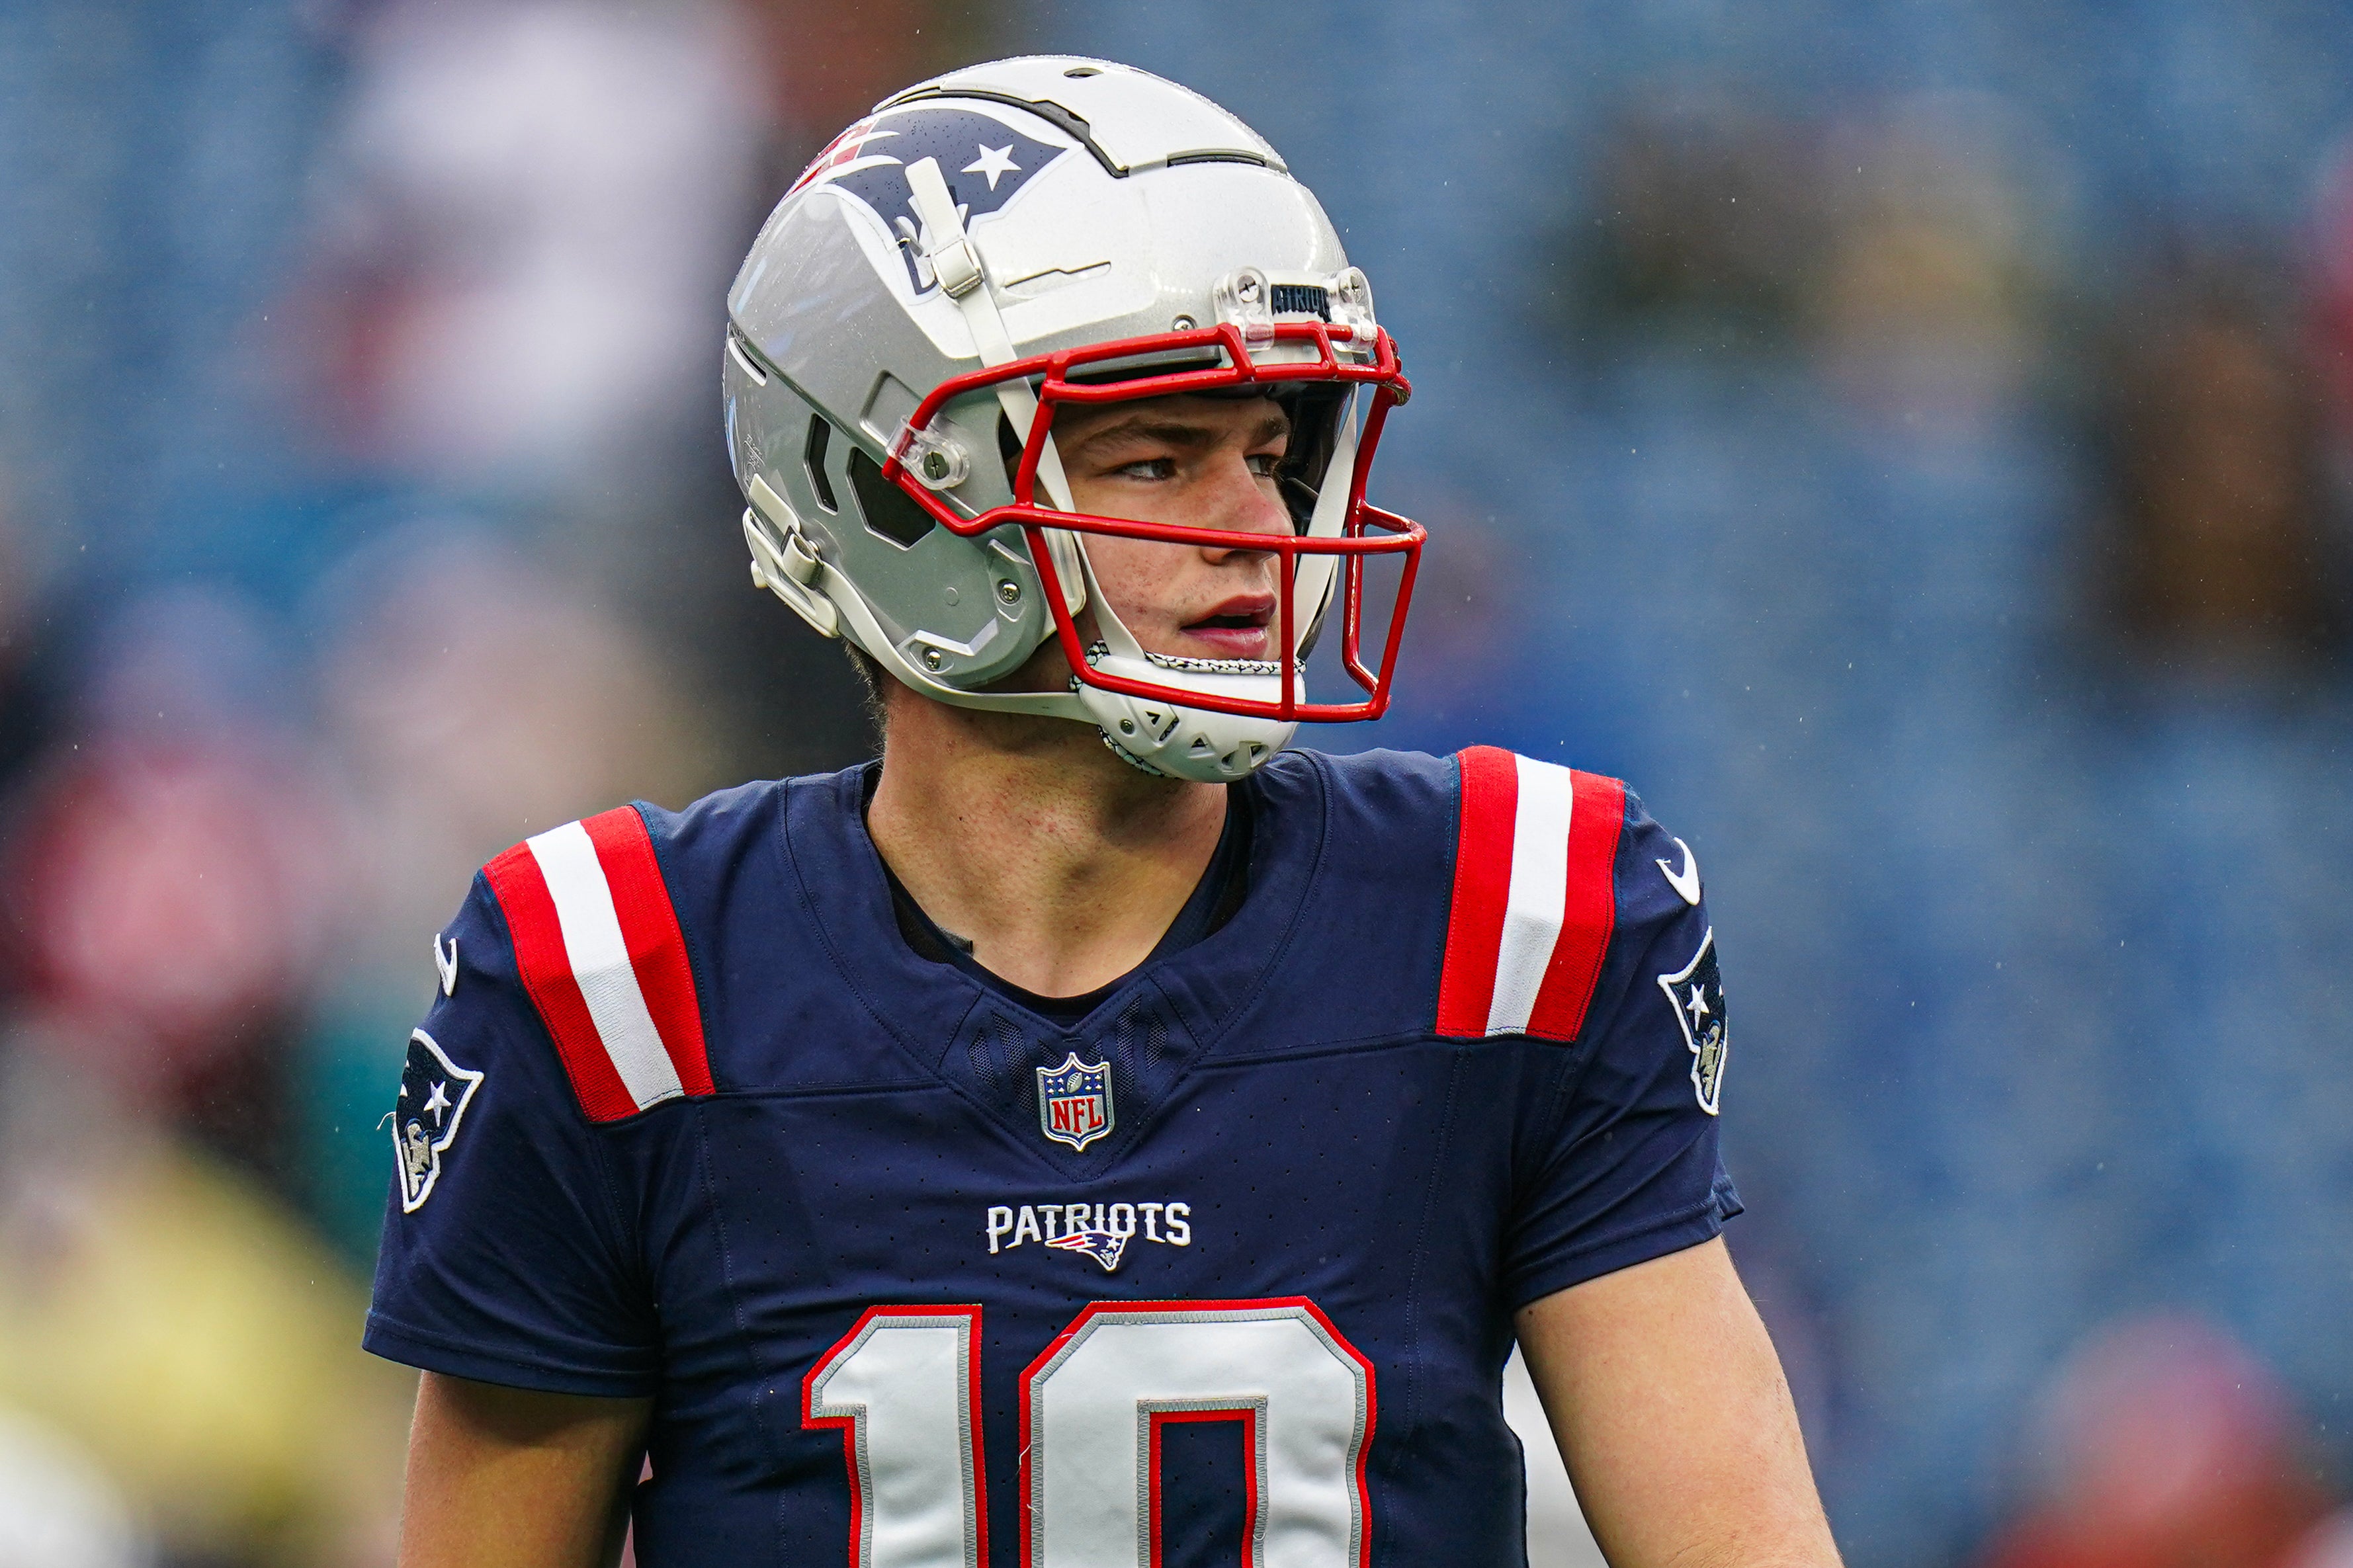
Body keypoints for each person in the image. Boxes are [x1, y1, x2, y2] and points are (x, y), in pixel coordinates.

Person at [366, 56, 1841, 1568]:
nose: (1258, 529)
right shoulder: (616, 985)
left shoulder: (1513, 924)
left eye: (1271, 454)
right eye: (1156, 461)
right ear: (894, 494)